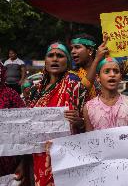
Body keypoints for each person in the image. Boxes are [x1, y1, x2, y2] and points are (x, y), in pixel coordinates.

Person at [27, 42, 88, 186]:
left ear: (67, 61)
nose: (55, 59)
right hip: (40, 153)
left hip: (67, 153)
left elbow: (89, 117)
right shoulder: (36, 91)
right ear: (45, 61)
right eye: (51, 55)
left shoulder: (75, 84)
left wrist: (80, 121)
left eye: (60, 56)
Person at [83, 57, 128, 135]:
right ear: (98, 78)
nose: (112, 75)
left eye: (116, 71)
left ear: (120, 77)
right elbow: (89, 139)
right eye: (107, 71)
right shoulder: (89, 107)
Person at [70, 34, 128, 98]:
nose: (73, 51)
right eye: (72, 48)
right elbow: (83, 88)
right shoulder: (71, 75)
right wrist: (96, 59)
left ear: (90, 51)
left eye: (77, 47)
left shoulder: (110, 66)